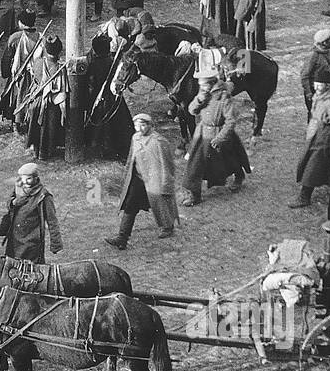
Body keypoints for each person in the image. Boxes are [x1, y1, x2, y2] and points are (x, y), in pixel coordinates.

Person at [106, 112, 177, 249]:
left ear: (151, 126)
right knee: (130, 205)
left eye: (143, 125)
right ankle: (122, 237)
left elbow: (167, 164)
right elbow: (131, 159)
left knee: (160, 204)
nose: (139, 128)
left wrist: (165, 184)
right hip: (139, 179)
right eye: (136, 125)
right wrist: (127, 175)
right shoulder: (135, 138)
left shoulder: (159, 142)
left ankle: (168, 226)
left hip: (154, 180)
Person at [181, 77, 251, 206]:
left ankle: (239, 175)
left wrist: (221, 138)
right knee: (195, 164)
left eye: (203, 85)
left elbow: (231, 121)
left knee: (229, 159)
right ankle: (195, 195)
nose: (201, 87)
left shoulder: (224, 97)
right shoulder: (203, 93)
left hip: (218, 133)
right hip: (201, 134)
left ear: (212, 84)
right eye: (200, 85)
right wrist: (200, 98)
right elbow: (191, 110)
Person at [0, 163, 62, 262]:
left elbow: (52, 221)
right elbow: (9, 204)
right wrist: (13, 202)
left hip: (32, 243)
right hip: (15, 239)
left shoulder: (44, 196)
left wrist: (56, 244)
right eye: (23, 178)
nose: (25, 182)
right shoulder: (18, 188)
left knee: (31, 271)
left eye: (29, 178)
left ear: (36, 178)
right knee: (11, 267)